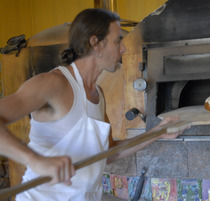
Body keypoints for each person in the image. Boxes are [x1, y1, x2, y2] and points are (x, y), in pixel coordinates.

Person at [0, 8, 184, 201]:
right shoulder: (53, 84)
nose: (124, 49)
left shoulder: (98, 95)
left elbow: (110, 153)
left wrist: (157, 132)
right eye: (117, 41)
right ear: (95, 44)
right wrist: (37, 162)